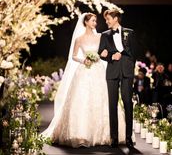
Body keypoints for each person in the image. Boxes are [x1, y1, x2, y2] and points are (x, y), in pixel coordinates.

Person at [41, 12, 126, 147]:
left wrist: (102, 55)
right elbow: (74, 56)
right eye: (93, 21)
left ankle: (104, 134)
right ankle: (81, 134)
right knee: (82, 99)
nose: (95, 23)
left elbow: (104, 51)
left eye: (95, 21)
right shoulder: (79, 39)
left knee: (101, 99)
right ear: (86, 22)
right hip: (84, 71)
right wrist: (83, 60)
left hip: (98, 69)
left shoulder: (99, 37)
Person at [98, 9, 139, 148]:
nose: (106, 21)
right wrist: (110, 56)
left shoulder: (129, 32)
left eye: (108, 18)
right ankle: (113, 138)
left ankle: (128, 138)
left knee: (128, 103)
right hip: (112, 72)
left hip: (127, 72)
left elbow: (134, 53)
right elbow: (101, 53)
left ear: (115, 18)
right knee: (112, 105)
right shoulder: (104, 35)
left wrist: (129, 66)